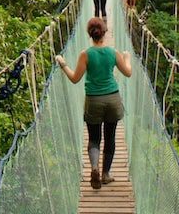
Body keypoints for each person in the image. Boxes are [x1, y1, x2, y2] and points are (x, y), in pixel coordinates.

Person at [55, 17, 132, 189]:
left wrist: (63, 64)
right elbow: (128, 73)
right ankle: (105, 175)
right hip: (113, 99)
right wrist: (127, 57)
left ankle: (95, 167)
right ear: (104, 33)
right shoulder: (113, 53)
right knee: (110, 137)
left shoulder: (85, 54)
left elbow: (75, 78)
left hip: (93, 101)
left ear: (90, 34)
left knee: (94, 139)